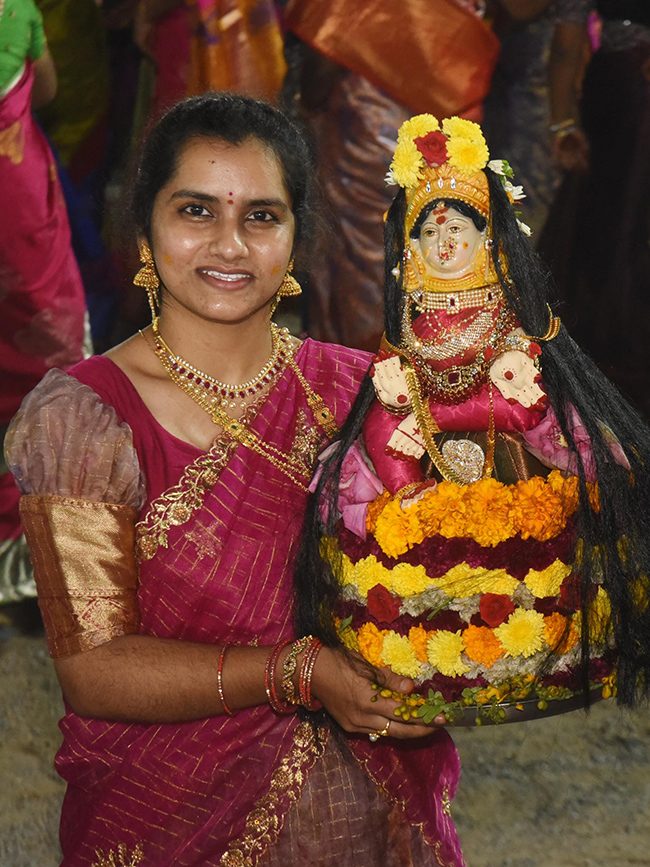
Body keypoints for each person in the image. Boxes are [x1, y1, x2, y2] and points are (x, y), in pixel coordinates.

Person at [5, 95, 464, 866]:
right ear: (144, 226)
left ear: (296, 237)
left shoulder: (364, 393)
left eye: (261, 215)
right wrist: (303, 672)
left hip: (355, 821)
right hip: (164, 817)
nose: (230, 243)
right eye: (196, 209)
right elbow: (94, 668)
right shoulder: (83, 419)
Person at [298, 115, 650, 744]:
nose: (445, 243)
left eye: (459, 228)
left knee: (553, 519)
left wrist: (434, 415)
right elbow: (386, 411)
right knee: (372, 499)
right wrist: (402, 477)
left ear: (488, 239)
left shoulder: (507, 318)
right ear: (409, 248)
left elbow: (521, 411)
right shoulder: (406, 329)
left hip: (513, 464)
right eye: (430, 231)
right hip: (422, 477)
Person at [283, 0, 500, 350]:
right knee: (424, 239)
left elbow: (321, 67)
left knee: (357, 251)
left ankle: (353, 363)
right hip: (439, 135)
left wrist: (306, 103)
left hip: (363, 137)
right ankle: (417, 354)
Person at [0, 0, 87, 606]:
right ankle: (30, 560)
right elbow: (49, 89)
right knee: (44, 364)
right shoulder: (13, 13)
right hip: (16, 212)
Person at [539, 0, 650, 418]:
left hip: (619, 86)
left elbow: (568, 44)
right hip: (623, 95)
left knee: (610, 227)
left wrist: (562, 123)